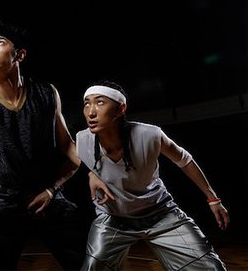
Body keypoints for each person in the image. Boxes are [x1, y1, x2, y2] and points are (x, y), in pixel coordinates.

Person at [0, 20, 114, 271]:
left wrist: (88, 176)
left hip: (47, 195)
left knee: (90, 264)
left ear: (19, 55)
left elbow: (68, 146)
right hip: (5, 200)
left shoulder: (46, 93)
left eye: (0, 43)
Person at [77, 80, 230, 270]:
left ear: (120, 109)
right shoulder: (82, 140)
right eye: (86, 103)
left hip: (161, 214)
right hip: (113, 220)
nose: (91, 112)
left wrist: (213, 199)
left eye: (100, 102)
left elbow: (185, 160)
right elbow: (72, 160)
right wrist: (91, 173)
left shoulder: (150, 135)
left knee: (210, 267)